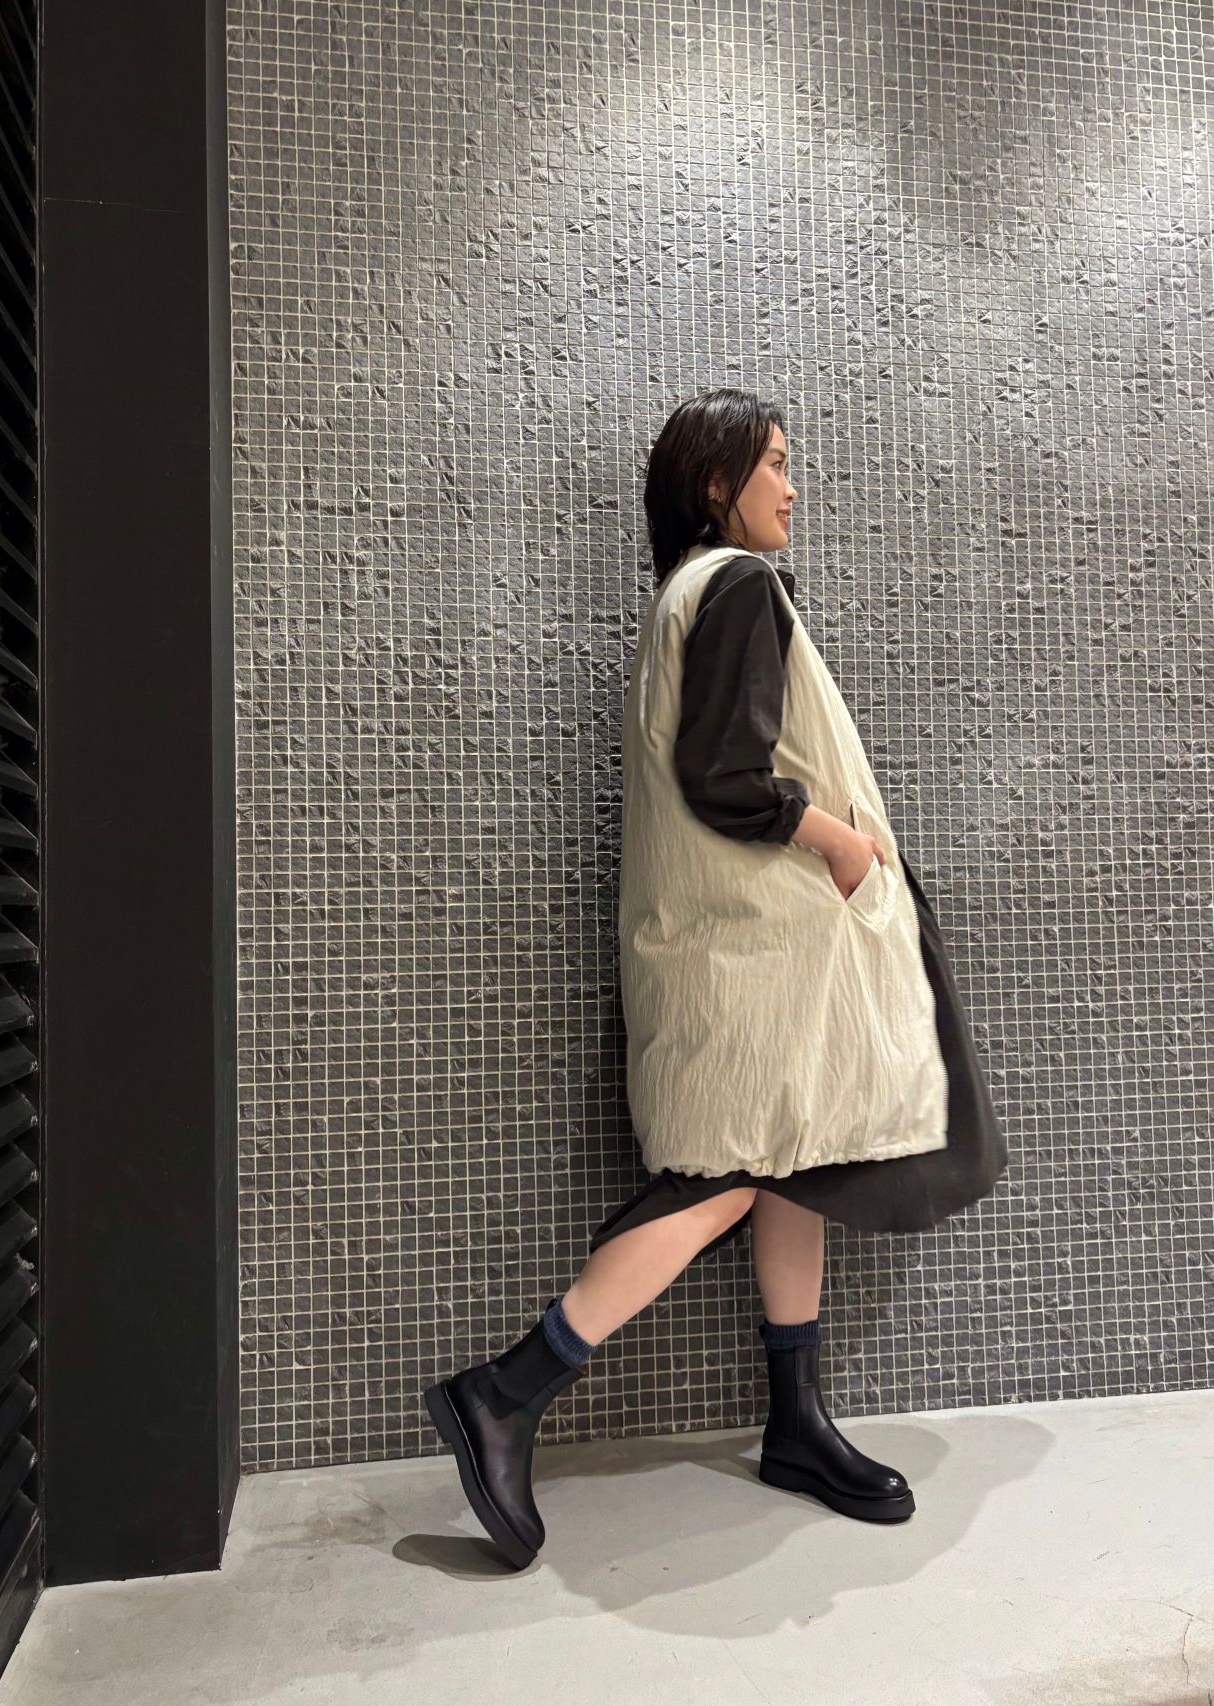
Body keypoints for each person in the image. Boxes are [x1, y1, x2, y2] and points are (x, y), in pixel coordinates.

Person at [423, 388, 1007, 1571]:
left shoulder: (684, 596)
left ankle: (795, 1421)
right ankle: (504, 1389)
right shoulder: (736, 583)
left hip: (740, 951)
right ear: (714, 484)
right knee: (729, 1173)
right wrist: (839, 843)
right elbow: (726, 774)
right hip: (752, 953)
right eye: (773, 464)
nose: (792, 486)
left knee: (795, 1161)